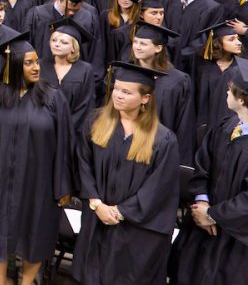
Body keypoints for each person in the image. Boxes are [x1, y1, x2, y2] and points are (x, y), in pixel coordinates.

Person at [0, 30, 73, 285]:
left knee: (36, 230)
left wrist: (63, 184)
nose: (36, 67)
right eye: (28, 62)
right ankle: (0, 279)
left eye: (37, 61)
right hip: (1, 178)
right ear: (14, 65)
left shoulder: (53, 98)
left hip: (38, 181)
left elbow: (65, 143)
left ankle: (26, 280)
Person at [73, 62, 180, 285]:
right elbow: (83, 163)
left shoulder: (163, 139)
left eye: (126, 92)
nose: (118, 95)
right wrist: (96, 204)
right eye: (116, 89)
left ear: (145, 99)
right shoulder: (96, 121)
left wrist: (120, 212)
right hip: (97, 216)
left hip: (134, 228)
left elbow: (159, 188)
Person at [170, 58, 248, 285]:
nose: (225, 93)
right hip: (201, 228)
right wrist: (202, 203)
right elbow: (202, 166)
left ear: (242, 98)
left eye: (229, 90)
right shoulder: (226, 126)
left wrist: (213, 214)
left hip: (235, 238)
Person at [130, 21, 196, 165]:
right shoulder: (127, 75)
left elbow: (184, 124)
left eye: (143, 43)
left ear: (158, 48)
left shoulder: (178, 80)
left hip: (162, 151)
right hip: (129, 149)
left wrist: (180, 162)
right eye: (135, 42)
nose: (137, 47)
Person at [39, 17, 96, 138]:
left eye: (64, 42)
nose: (57, 44)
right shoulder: (40, 66)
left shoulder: (85, 70)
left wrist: (66, 128)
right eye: (54, 40)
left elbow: (86, 105)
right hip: (42, 131)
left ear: (74, 48)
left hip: (73, 133)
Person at [194, 22, 245, 132]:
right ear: (218, 43)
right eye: (231, 39)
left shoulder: (243, 68)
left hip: (235, 128)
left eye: (238, 38)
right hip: (206, 127)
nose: (238, 43)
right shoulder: (203, 68)